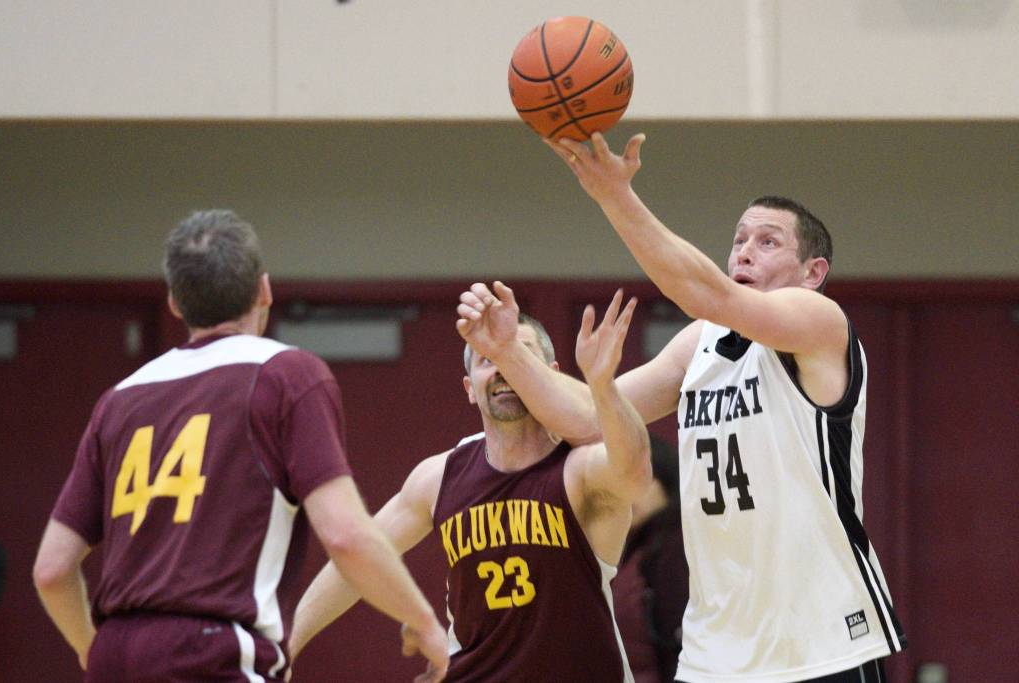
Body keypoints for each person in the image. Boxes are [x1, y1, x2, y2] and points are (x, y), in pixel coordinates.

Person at [456, 132, 906, 682]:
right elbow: (583, 421)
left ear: (813, 273)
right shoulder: (701, 343)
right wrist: (507, 352)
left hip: (821, 641)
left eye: (768, 242)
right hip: (715, 652)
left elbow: (709, 293)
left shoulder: (822, 325)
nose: (743, 249)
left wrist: (614, 196)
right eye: (739, 238)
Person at [32, 210, 448, 682]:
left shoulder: (119, 398)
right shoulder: (286, 375)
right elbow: (347, 535)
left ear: (174, 302)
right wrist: (425, 624)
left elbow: (51, 570)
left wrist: (93, 650)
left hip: (115, 659)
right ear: (264, 290)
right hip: (211, 655)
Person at [288, 297, 652, 682]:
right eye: (487, 359)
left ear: (550, 374)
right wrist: (288, 643)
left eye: (516, 355)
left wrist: (602, 388)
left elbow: (634, 472)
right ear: (469, 387)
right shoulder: (439, 478)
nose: (502, 370)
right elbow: (360, 557)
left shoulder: (580, 468)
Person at [612, 435, 686, 683]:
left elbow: (679, 646)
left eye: (642, 478)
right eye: (620, 480)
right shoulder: (633, 548)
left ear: (666, 481)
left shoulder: (675, 545)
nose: (629, 491)